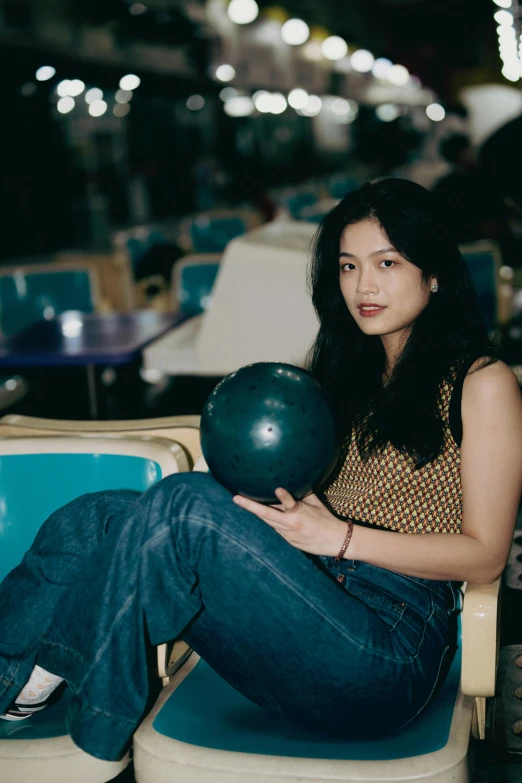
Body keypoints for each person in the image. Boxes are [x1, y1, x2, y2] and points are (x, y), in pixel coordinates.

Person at [1, 178, 521, 762]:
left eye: (388, 262)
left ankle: (86, 717)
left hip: (389, 647)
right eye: (348, 266)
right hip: (304, 597)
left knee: (181, 504)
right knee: (98, 515)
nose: (364, 285)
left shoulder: (482, 382)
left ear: (434, 274)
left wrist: (341, 538)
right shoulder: (344, 376)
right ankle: (11, 684)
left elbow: (485, 554)